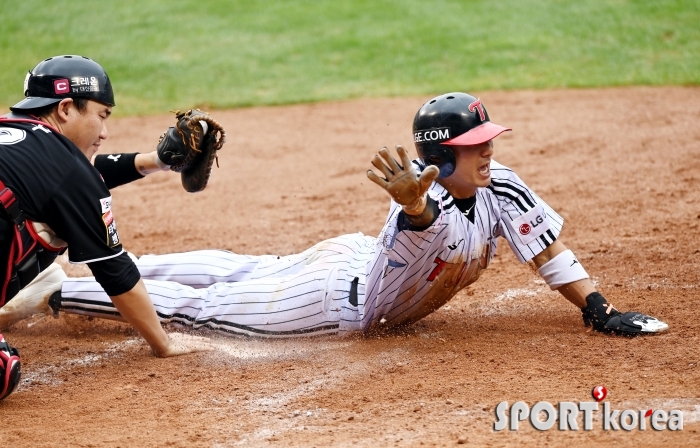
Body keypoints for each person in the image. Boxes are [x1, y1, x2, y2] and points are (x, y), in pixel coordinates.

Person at [0, 92, 668, 343]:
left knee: (240, 269)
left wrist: (598, 307)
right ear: (442, 154)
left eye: (488, 142)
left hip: (345, 257)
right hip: (326, 301)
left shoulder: (502, 185)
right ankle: (60, 288)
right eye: (474, 147)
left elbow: (544, 248)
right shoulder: (422, 201)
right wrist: (410, 205)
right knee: (203, 307)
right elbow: (420, 219)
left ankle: (89, 276)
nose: (488, 152)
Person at [0, 55, 212, 400]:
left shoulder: (14, 135)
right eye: (101, 115)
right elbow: (114, 270)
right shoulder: (64, 168)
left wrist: (156, 161)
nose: (104, 132)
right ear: (66, 108)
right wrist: (164, 345)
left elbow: (64, 181)